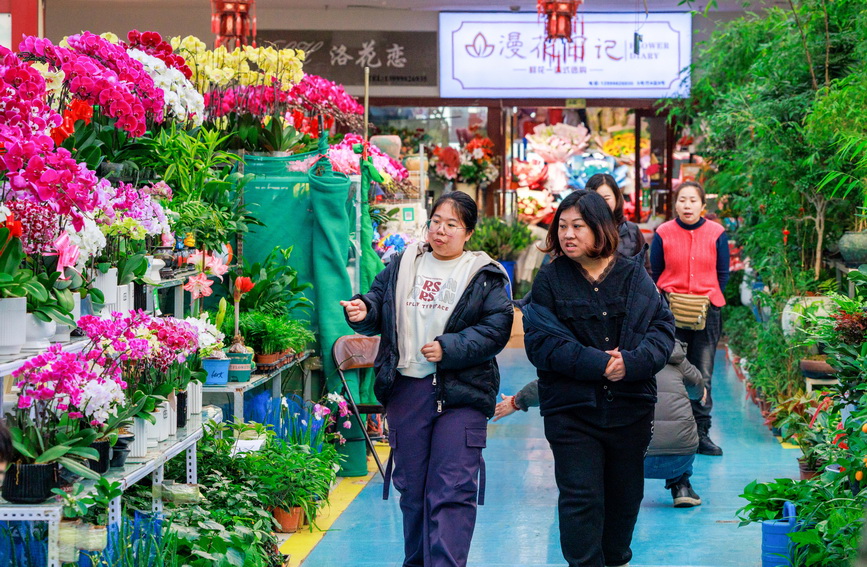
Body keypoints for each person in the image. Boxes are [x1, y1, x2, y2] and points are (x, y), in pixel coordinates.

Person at [340, 191, 513, 567]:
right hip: (408, 390)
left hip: (462, 394)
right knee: (413, 491)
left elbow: (496, 327)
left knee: (452, 490)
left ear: (468, 233)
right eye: (436, 221)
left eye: (452, 224)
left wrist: (449, 348)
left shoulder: (483, 275)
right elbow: (379, 300)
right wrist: (363, 309)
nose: (441, 230)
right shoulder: (404, 263)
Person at [520, 190, 675, 567]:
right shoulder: (550, 279)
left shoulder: (633, 275)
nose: (568, 234)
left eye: (578, 226)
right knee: (580, 497)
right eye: (562, 226)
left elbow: (661, 329)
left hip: (630, 408)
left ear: (600, 228)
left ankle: (616, 557)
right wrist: (600, 364)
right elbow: (540, 343)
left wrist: (631, 363)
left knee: (625, 498)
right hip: (570, 410)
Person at [494, 339, 706, 509]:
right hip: (679, 457)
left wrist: (517, 401)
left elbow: (553, 384)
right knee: (681, 429)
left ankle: (600, 492)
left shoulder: (608, 352)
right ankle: (681, 486)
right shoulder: (671, 353)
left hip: (631, 459)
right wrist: (699, 394)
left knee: (601, 437)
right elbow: (697, 389)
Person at [650, 181, 729, 456]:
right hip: (671, 312)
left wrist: (709, 296)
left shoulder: (717, 233)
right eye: (682, 200)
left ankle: (701, 433)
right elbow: (657, 271)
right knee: (670, 373)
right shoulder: (663, 233)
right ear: (675, 204)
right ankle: (670, 434)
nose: (687, 205)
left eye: (693, 200)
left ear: (703, 205)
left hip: (708, 312)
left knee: (703, 372)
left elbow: (723, 274)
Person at [585, 173, 645, 258]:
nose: (601, 203)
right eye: (596, 199)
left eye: (606, 198)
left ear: (616, 198)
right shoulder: (581, 230)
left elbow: (644, 264)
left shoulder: (632, 230)